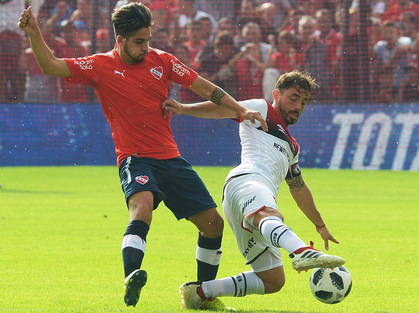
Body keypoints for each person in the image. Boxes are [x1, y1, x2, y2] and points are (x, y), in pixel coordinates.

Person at [18, 2, 268, 308]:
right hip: (135, 157)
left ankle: (202, 296)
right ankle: (132, 275)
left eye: (148, 39)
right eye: (139, 41)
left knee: (213, 224)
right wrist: (34, 33)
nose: (146, 47)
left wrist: (240, 109)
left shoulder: (162, 61)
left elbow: (204, 87)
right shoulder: (99, 66)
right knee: (142, 209)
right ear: (120, 39)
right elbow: (52, 65)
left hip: (171, 159)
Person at [162, 70, 345, 310]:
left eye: (304, 101)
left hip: (247, 200)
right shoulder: (262, 109)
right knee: (270, 214)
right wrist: (185, 108)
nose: (298, 106)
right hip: (247, 181)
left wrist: (320, 225)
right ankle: (301, 252)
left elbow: (298, 188)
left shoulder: (292, 147)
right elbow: (222, 108)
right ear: (276, 94)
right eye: (293, 98)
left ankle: (200, 292)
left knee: (273, 280)